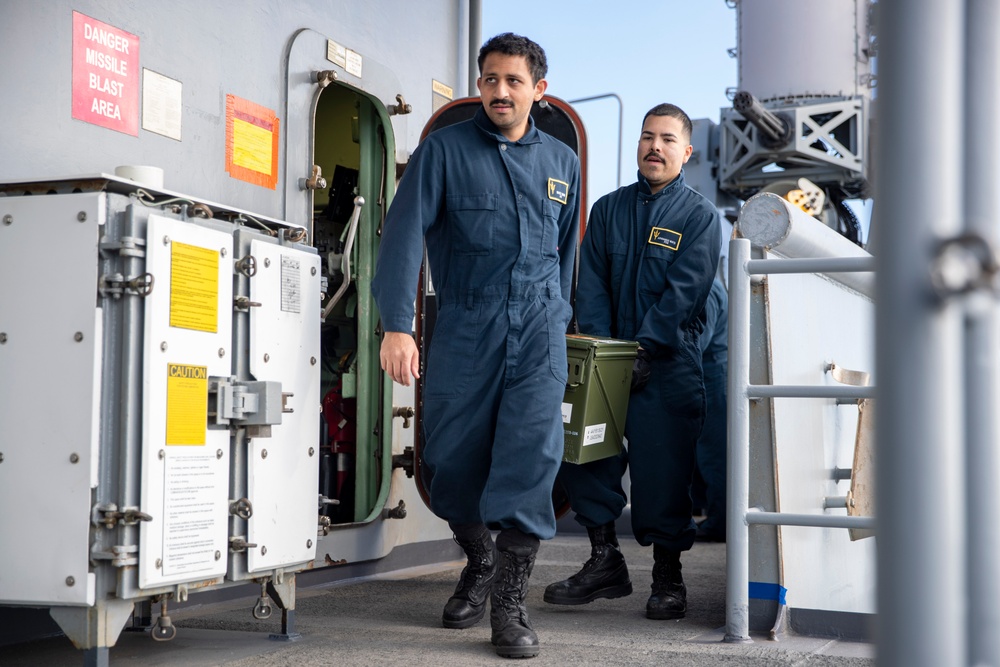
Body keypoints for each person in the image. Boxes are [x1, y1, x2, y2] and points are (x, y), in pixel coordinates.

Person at [371, 33, 580, 659]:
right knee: (448, 459)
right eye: (490, 79)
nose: (500, 91)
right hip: (466, 322)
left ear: (538, 91)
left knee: (530, 461)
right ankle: (481, 560)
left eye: (514, 81)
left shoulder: (562, 164)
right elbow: (403, 236)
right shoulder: (443, 152)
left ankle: (509, 605)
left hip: (540, 328)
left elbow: (565, 253)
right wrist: (396, 325)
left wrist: (562, 321)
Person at [544, 103, 721, 620]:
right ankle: (604, 561)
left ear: (686, 152)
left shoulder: (699, 216)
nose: (654, 146)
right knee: (586, 453)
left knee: (664, 470)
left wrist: (646, 346)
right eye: (648, 137)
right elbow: (590, 284)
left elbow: (686, 291)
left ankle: (668, 576)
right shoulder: (607, 210)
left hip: (668, 363)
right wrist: (605, 350)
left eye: (667, 139)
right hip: (605, 360)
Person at [693, 278, 728, 542]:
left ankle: (720, 523)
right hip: (712, 373)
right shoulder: (710, 285)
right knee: (711, 453)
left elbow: (697, 342)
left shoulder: (707, 290)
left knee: (714, 455)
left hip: (713, 376)